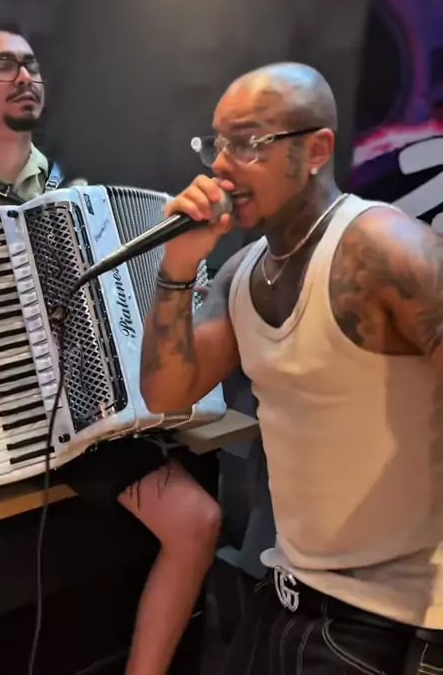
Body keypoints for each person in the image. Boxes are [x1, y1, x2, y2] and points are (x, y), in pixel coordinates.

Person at [140, 61, 443, 674]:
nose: (221, 166)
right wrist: (177, 266)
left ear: (316, 150)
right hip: (289, 591)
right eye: (216, 144)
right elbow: (167, 393)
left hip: (391, 621)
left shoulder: (387, 249)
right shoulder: (242, 271)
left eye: (248, 143)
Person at [0, 23, 221, 675]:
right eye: (2, 65)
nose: (25, 76)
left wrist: (179, 290)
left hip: (71, 413)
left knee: (197, 521)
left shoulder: (67, 195)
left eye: (31, 64)